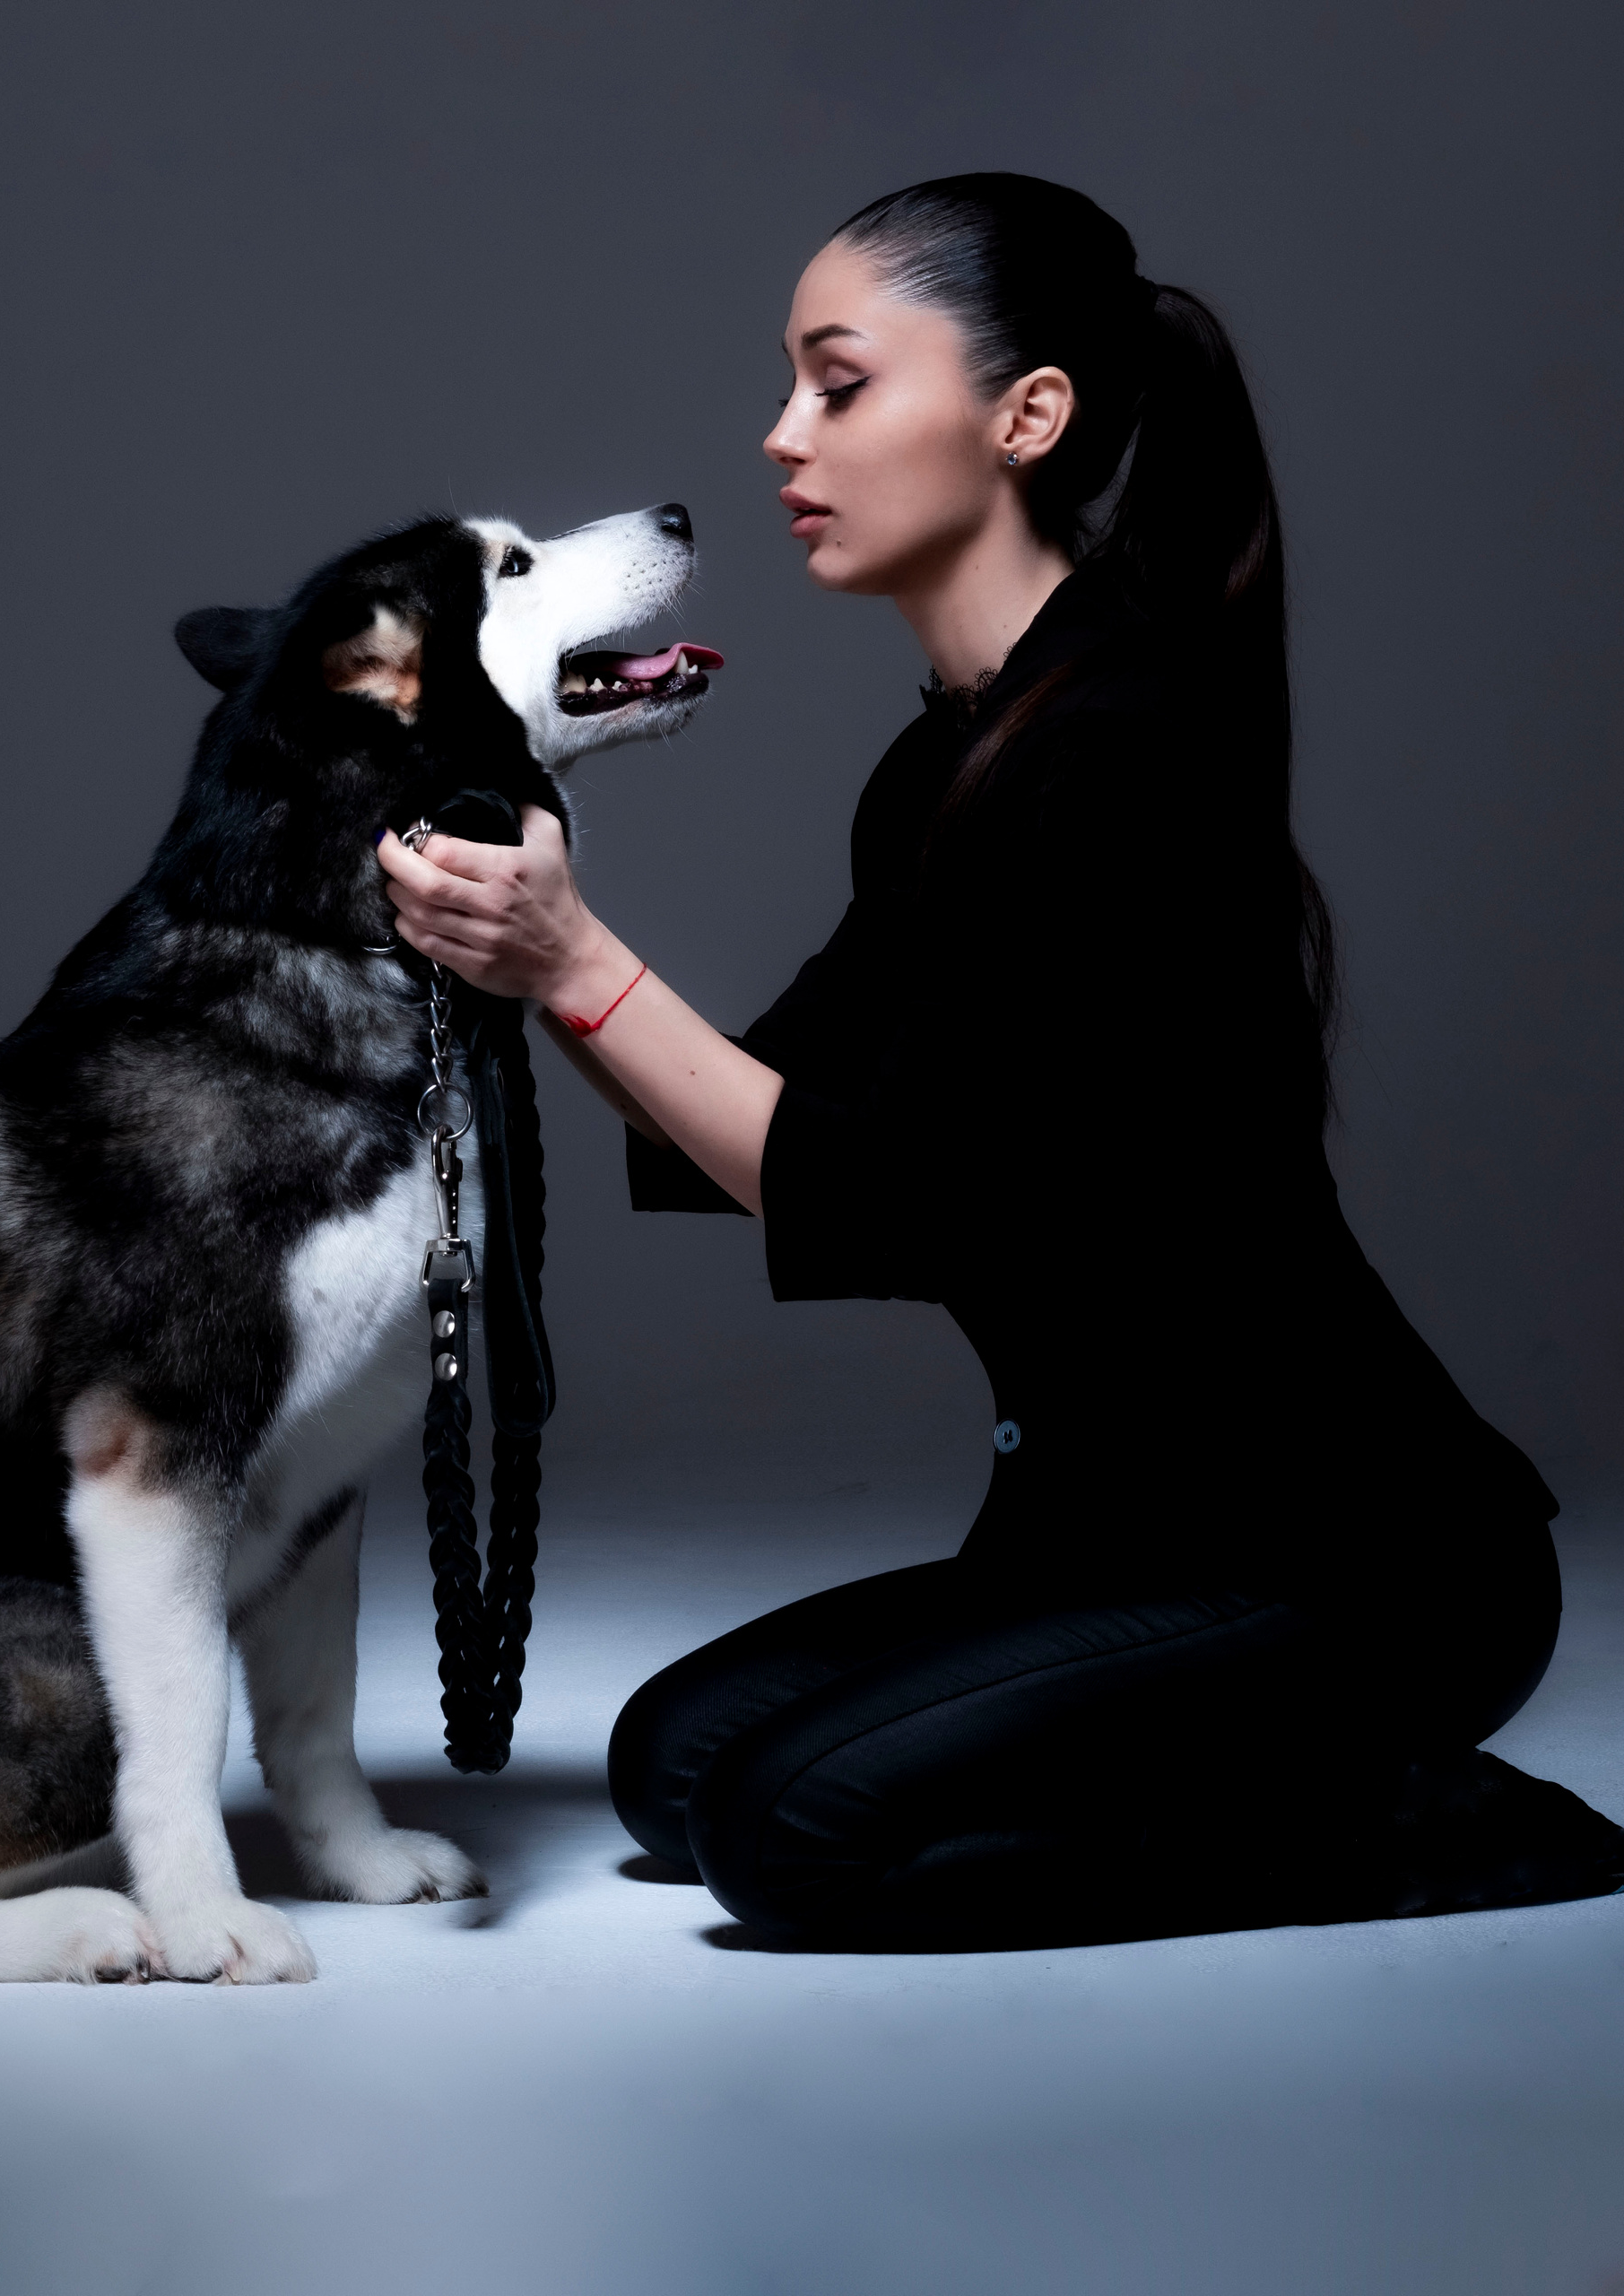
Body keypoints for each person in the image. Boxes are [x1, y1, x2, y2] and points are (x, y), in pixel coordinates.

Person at [376, 173, 1624, 1948]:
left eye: (837, 382)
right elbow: (758, 1105)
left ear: (1023, 414)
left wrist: (573, 960)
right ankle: (1169, 1747)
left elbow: (887, 1197)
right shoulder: (951, 764)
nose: (778, 434)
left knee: (788, 1833)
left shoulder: (1125, 739)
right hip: (1106, 1535)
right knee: (669, 1764)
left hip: (1345, 1555)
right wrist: (525, 947)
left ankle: (1423, 1809)